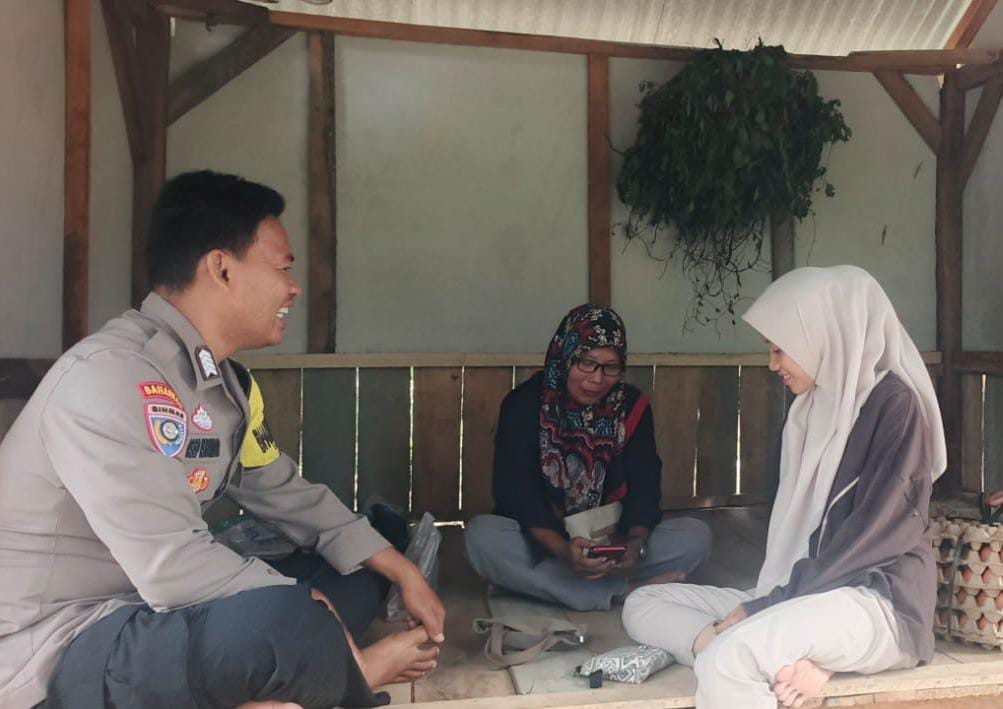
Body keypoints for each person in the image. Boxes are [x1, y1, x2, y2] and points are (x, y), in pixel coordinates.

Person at [0, 171, 445, 709]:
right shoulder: (107, 376)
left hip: (156, 614)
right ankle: (354, 672)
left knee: (350, 568)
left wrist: (400, 568)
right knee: (289, 619)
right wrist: (323, 626)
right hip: (64, 643)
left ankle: (290, 673)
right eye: (283, 267)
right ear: (221, 268)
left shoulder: (224, 388)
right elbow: (173, 567)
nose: (293, 289)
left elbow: (285, 494)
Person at [621, 266, 946, 708]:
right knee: (643, 603)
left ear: (824, 336)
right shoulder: (809, 411)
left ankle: (741, 648)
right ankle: (727, 645)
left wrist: (765, 612)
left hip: (874, 602)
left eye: (780, 349)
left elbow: (873, 540)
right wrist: (766, 620)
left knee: (730, 661)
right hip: (798, 595)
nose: (773, 364)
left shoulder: (895, 407)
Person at [464, 304, 712, 611]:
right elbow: (517, 494)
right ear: (565, 357)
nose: (597, 379)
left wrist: (635, 545)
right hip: (547, 542)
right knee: (482, 537)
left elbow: (645, 485)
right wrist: (564, 550)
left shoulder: (631, 407)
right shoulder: (524, 405)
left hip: (613, 541)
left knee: (695, 537)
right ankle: (622, 593)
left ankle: (549, 587)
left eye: (610, 367)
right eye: (586, 363)